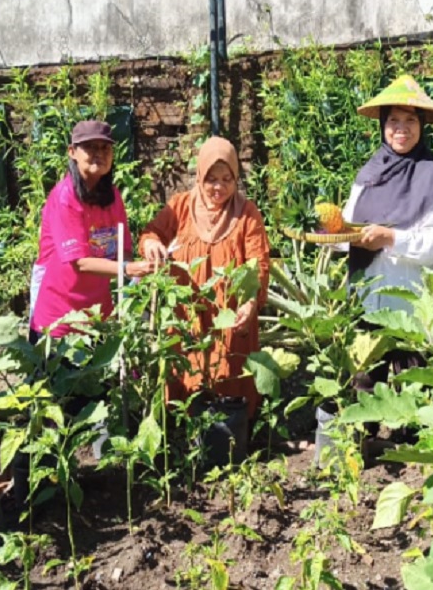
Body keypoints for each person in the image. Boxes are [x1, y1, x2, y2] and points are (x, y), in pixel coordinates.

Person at [140, 136, 270, 418]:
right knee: (187, 369)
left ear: (236, 179)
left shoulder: (247, 214)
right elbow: (152, 233)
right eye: (212, 179)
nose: (219, 187)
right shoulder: (181, 206)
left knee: (231, 373)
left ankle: (231, 439)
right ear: (200, 176)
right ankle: (184, 434)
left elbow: (258, 262)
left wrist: (249, 302)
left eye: (227, 179)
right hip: (189, 311)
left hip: (230, 315)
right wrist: (151, 244)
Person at [346, 75, 433, 389]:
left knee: (414, 392)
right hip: (367, 302)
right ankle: (362, 440)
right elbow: (348, 229)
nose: (401, 129)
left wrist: (392, 239)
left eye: (410, 120)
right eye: (393, 120)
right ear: (383, 125)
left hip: (411, 306)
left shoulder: (431, 175)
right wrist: (334, 238)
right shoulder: (368, 173)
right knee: (363, 389)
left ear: (422, 126)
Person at [29, 120, 154, 342]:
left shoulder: (113, 196)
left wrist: (133, 285)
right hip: (59, 321)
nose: (99, 153)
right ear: (72, 152)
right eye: (90, 147)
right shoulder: (65, 197)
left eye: (105, 147)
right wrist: (129, 269)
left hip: (98, 318)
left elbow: (123, 249)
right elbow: (81, 262)